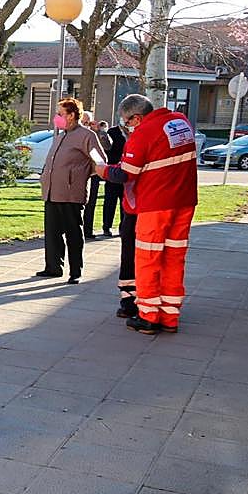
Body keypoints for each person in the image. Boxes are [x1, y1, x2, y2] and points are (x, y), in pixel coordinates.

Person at [97, 94, 198, 334]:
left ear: (137, 117)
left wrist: (102, 170)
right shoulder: (180, 122)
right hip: (184, 202)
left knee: (148, 259)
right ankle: (170, 316)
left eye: (127, 121)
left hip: (156, 205)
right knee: (174, 258)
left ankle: (149, 316)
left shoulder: (143, 133)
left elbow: (125, 174)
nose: (127, 126)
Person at [35, 98, 105, 285]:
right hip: (52, 192)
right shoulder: (61, 135)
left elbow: (99, 162)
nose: (56, 117)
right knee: (52, 233)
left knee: (73, 234)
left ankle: (75, 271)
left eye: (60, 114)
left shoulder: (86, 136)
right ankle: (53, 267)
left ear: (72, 115)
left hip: (71, 194)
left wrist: (77, 176)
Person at [100, 115, 128, 238]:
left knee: (124, 202)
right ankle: (107, 226)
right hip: (113, 171)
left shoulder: (133, 133)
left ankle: (124, 227)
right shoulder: (113, 132)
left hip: (126, 172)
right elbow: (108, 148)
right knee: (110, 201)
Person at [82, 110, 103, 239]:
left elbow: (105, 149)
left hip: (92, 173)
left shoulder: (94, 135)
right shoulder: (73, 134)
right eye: (83, 122)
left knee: (91, 203)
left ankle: (87, 230)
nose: (85, 125)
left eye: (87, 122)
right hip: (77, 175)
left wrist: (99, 132)